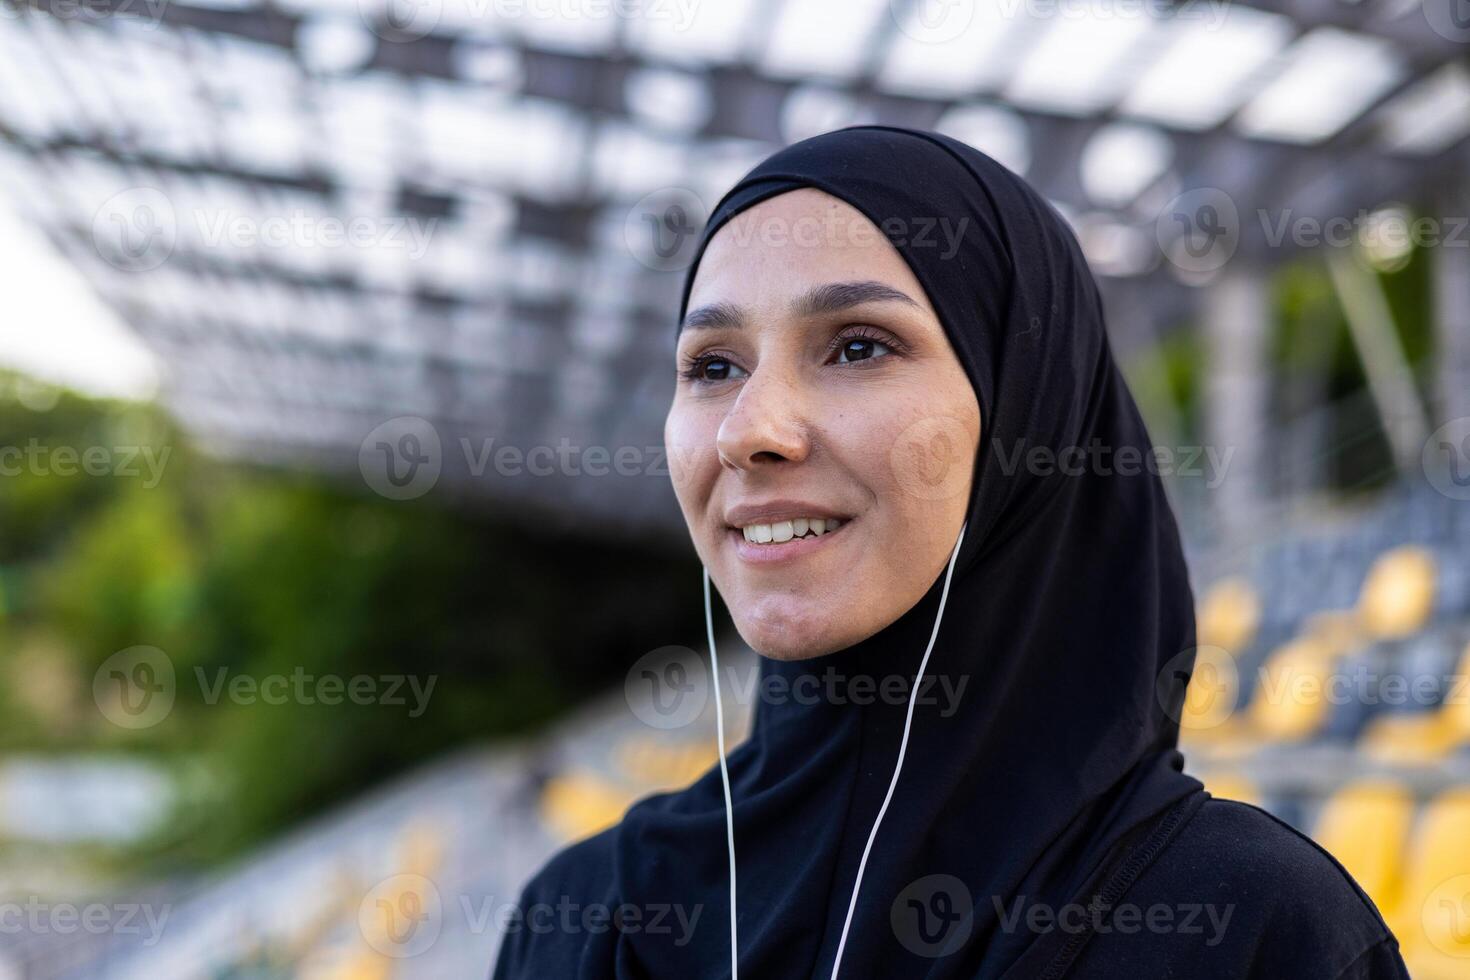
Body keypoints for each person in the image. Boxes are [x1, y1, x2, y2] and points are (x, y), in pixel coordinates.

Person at [491, 125, 1408, 978]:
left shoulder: (1251, 928)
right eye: (713, 366)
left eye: (857, 346)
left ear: (1026, 413)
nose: (748, 432)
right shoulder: (579, 920)